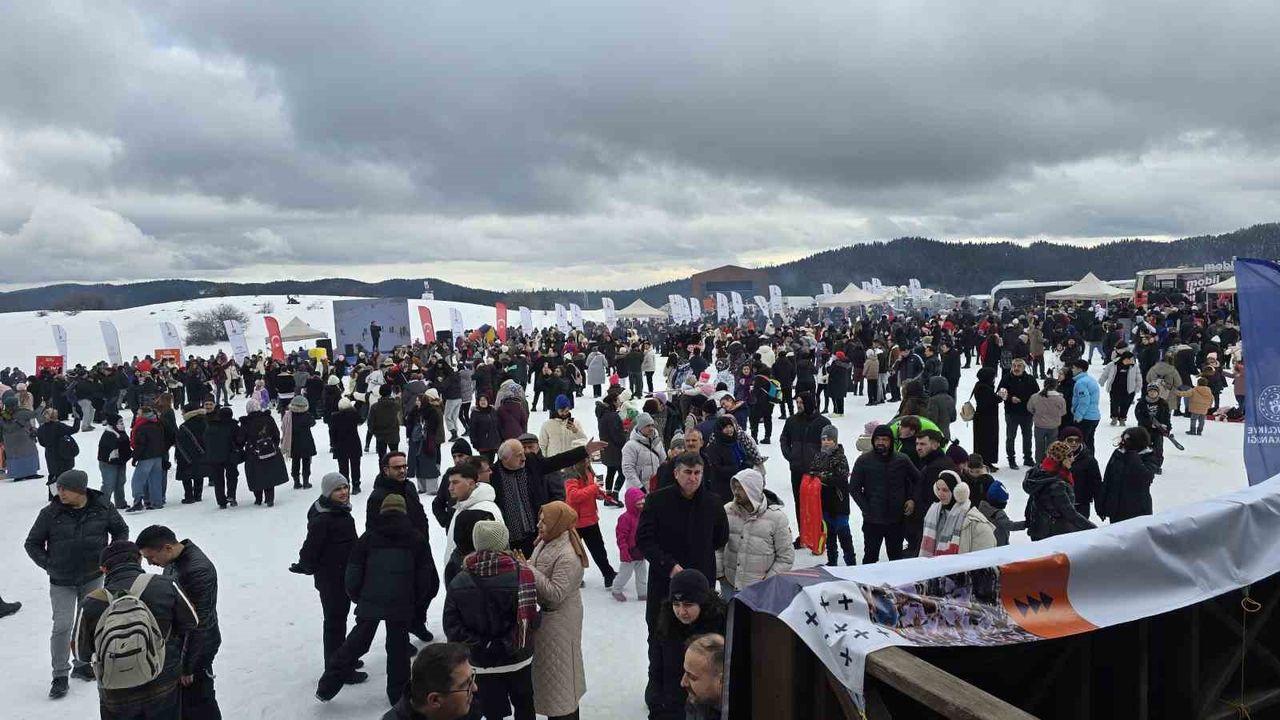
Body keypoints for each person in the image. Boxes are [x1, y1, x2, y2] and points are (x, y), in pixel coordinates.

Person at [317, 494, 437, 705]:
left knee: (355, 644)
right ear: (404, 512)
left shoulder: (368, 537)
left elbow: (353, 571)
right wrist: (415, 600)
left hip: (370, 600)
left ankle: (327, 687)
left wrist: (358, 596)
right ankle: (398, 696)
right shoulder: (415, 538)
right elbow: (425, 575)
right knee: (398, 649)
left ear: (382, 511)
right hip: (402, 602)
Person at [24, 469, 130, 699]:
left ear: (79, 491)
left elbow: (121, 530)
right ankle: (60, 675)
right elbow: (32, 544)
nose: (60, 493)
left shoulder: (102, 507)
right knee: (62, 625)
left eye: (65, 489)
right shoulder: (50, 513)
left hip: (93, 575)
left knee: (89, 622)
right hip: (61, 580)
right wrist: (49, 565)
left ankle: (82, 664)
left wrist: (110, 556)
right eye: (59, 488)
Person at [72, 541, 198, 718]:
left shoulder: (90, 603)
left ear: (103, 569)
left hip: (116, 692)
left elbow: (80, 653)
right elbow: (191, 622)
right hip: (162, 682)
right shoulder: (166, 585)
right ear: (139, 559)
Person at [443, 520, 537, 720]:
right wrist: (505, 644)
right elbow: (529, 619)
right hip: (518, 659)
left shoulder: (459, 580)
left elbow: (452, 625)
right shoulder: (523, 574)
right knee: (525, 706)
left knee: (492, 712)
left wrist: (483, 645)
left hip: (480, 662)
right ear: (504, 542)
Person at [136, 525, 222, 719]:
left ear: (167, 548)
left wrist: (187, 667)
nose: (150, 563)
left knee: (200, 702)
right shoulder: (174, 560)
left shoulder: (197, 571)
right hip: (181, 646)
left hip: (197, 650)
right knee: (187, 703)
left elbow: (199, 624)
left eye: (151, 558)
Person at [636, 451, 730, 628]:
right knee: (662, 631)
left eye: (697, 473)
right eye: (687, 472)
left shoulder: (713, 502)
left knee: (701, 633)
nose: (692, 478)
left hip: (701, 578)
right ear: (676, 473)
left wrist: (700, 552)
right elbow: (644, 540)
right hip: (665, 580)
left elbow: (720, 537)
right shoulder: (657, 501)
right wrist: (668, 565)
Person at [290, 473, 362, 677]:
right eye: (338, 489)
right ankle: (336, 669)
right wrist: (305, 566)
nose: (344, 492)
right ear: (328, 492)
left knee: (340, 620)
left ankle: (342, 658)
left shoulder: (339, 511)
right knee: (334, 623)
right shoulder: (324, 518)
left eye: (345, 487)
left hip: (344, 575)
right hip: (332, 580)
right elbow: (311, 548)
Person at [366, 451, 440, 643]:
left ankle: (417, 622)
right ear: (386, 470)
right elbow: (373, 529)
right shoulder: (378, 496)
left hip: (420, 548)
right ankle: (401, 639)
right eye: (397, 467)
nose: (402, 470)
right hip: (398, 555)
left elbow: (419, 512)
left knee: (430, 586)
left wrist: (424, 534)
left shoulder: (409, 486)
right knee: (403, 598)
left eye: (404, 466)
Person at [492, 437, 604, 557]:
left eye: (523, 454)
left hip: (537, 534)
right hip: (511, 539)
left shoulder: (531, 462)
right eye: (519, 455)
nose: (524, 458)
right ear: (505, 458)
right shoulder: (493, 475)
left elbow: (558, 460)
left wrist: (584, 451)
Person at [528, 501, 588, 720]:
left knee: (562, 682)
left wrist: (528, 569)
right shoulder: (547, 541)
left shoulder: (567, 554)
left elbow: (556, 593)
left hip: (560, 623)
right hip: (549, 623)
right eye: (540, 520)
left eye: (544, 521)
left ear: (558, 523)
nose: (539, 525)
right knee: (553, 680)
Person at [647, 569, 726, 720]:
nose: (681, 611)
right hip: (672, 704)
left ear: (702, 602)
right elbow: (657, 671)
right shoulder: (666, 624)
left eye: (688, 605)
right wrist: (656, 705)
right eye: (676, 604)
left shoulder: (721, 626)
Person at [718, 469, 793, 600]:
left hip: (759, 591)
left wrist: (767, 583)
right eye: (735, 487)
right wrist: (720, 574)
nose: (736, 492)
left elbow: (785, 557)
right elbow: (717, 545)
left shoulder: (776, 518)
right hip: (729, 585)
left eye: (741, 488)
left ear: (752, 489)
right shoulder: (727, 511)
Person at [850, 424, 918, 563]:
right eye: (877, 439)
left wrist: (911, 499)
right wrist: (867, 509)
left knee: (896, 558)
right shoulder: (864, 461)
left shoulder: (902, 459)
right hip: (873, 521)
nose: (880, 442)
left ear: (891, 441)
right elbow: (854, 488)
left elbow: (917, 480)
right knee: (870, 557)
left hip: (896, 519)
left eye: (885, 439)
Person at [779, 392, 830, 547]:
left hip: (815, 472)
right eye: (797, 402)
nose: (798, 405)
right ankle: (804, 535)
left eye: (801, 402)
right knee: (800, 503)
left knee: (817, 504)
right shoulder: (792, 421)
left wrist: (819, 463)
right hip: (797, 469)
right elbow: (784, 439)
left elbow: (829, 446)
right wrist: (790, 455)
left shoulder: (823, 422)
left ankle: (819, 535)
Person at [563, 443, 617, 588]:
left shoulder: (588, 470)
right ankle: (575, 578)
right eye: (585, 457)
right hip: (576, 521)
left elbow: (589, 490)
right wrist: (594, 488)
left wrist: (601, 494)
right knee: (575, 553)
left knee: (599, 549)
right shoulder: (571, 474)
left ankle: (608, 574)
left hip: (590, 518)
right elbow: (573, 496)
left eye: (588, 457)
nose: (588, 460)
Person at [382, 643, 477, 720]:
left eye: (472, 678)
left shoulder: (465, 703)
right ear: (435, 700)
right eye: (465, 685)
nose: (475, 688)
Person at [1023, 441, 1096, 541]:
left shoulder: (1042, 473)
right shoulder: (1057, 484)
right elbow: (1070, 513)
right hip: (1051, 535)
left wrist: (1030, 523)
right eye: (1069, 456)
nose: (1073, 458)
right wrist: (1094, 529)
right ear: (1059, 459)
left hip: (1040, 531)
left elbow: (1031, 503)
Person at [919, 470, 996, 557]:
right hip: (935, 565)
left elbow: (984, 558)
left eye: (945, 490)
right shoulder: (933, 514)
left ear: (958, 492)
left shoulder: (974, 522)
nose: (940, 493)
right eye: (938, 489)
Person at [906, 430, 956, 557]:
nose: (918, 448)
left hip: (932, 523)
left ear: (935, 445)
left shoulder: (936, 467)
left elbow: (931, 499)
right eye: (917, 444)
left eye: (923, 444)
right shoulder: (934, 462)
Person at [810, 425, 853, 566]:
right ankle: (832, 561)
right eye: (823, 439)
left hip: (839, 503)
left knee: (844, 534)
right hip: (824, 502)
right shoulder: (818, 456)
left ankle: (850, 562)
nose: (826, 442)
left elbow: (841, 478)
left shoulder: (840, 457)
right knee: (829, 535)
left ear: (835, 441)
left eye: (829, 439)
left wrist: (823, 478)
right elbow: (813, 471)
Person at [1098, 427, 1159, 524]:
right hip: (1117, 508)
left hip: (1138, 509)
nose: (1123, 443)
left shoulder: (1148, 456)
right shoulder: (1118, 453)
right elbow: (1108, 478)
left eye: (1127, 440)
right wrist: (1102, 505)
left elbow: (1146, 477)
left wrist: (1133, 455)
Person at [240, 398, 289, 507]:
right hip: (270, 451)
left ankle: (258, 498)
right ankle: (269, 498)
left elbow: (241, 439)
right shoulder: (268, 418)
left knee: (255, 475)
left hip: (253, 453)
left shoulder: (246, 422)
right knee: (269, 474)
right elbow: (276, 434)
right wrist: (273, 445)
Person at [996, 358, 1039, 469]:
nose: (1016, 368)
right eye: (1014, 366)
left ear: (1024, 368)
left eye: (1019, 366)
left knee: (1028, 437)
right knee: (1011, 437)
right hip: (1011, 413)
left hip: (1027, 413)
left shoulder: (1030, 379)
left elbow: (1037, 394)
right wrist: (1010, 398)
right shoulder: (1006, 378)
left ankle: (1028, 458)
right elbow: (999, 393)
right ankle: (1011, 459)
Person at [612, 487, 648, 602]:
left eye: (643, 503)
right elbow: (621, 536)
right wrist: (624, 550)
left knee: (642, 574)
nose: (641, 506)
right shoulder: (625, 518)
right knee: (625, 574)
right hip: (629, 553)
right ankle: (616, 589)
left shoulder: (644, 516)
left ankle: (643, 593)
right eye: (638, 504)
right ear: (631, 504)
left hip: (641, 552)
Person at [37, 407, 80, 500]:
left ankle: (52, 494)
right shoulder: (59, 426)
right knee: (65, 475)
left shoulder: (41, 429)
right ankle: (65, 494)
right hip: (62, 453)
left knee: (53, 474)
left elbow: (41, 443)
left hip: (50, 454)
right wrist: (77, 419)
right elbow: (74, 429)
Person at [681, 634, 726, 719]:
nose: (683, 683)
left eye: (692, 677)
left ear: (722, 680)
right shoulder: (696, 702)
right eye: (685, 672)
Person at [327, 395, 365, 494]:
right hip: (354, 443)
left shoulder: (334, 417)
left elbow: (332, 432)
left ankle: (345, 485)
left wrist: (333, 444)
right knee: (355, 466)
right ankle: (356, 485)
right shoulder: (354, 414)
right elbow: (361, 420)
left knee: (343, 468)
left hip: (340, 445)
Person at [622, 412, 666, 492]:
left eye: (652, 425)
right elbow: (628, 469)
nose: (651, 428)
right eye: (647, 426)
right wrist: (640, 487)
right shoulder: (630, 446)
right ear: (640, 428)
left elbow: (663, 462)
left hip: (655, 488)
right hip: (637, 491)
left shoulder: (657, 442)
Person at [1134, 383, 1172, 474]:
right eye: (1150, 391)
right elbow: (1139, 416)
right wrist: (1150, 424)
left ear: (1158, 392)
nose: (1152, 393)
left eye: (1154, 391)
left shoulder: (1163, 403)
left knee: (1158, 448)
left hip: (1158, 431)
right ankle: (1143, 464)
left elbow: (1167, 417)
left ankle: (1156, 466)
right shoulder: (1142, 403)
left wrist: (1167, 427)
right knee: (1143, 447)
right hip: (1144, 430)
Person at [976, 477, 1025, 546]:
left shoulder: (982, 506)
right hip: (999, 542)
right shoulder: (998, 514)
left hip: (987, 541)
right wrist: (1025, 524)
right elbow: (1010, 526)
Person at [97, 413, 133, 509]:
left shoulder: (121, 432)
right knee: (109, 484)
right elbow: (112, 450)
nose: (122, 424)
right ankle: (102, 505)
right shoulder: (109, 434)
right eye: (120, 422)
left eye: (122, 421)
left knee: (120, 482)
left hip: (120, 462)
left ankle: (120, 503)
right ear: (113, 423)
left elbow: (125, 447)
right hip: (108, 463)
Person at [1026, 378, 1066, 463]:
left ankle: (1039, 463)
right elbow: (1063, 412)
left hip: (1039, 426)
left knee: (1039, 446)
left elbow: (1029, 408)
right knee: (1052, 447)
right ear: (1056, 386)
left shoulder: (1035, 397)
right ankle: (1050, 464)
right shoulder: (1060, 399)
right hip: (1053, 426)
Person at [1100, 351, 1142, 426]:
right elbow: (1105, 373)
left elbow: (1138, 377)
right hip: (1115, 388)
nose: (1132, 360)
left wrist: (1138, 387)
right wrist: (1102, 381)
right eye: (1131, 359)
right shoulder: (1113, 364)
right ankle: (1114, 417)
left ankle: (1122, 418)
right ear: (1125, 359)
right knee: (1114, 403)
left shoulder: (1134, 366)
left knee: (1126, 404)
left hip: (1129, 389)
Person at [971, 367, 1000, 471]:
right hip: (986, 419)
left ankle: (986, 461)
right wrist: (999, 398)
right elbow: (987, 403)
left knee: (985, 441)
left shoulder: (981, 386)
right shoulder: (984, 388)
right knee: (986, 441)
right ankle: (985, 462)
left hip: (984, 418)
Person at [286, 395, 317, 489]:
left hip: (294, 442)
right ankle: (306, 482)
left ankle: (296, 482)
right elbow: (313, 423)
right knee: (306, 461)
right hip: (306, 442)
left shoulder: (289, 416)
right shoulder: (306, 415)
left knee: (295, 462)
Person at [1069, 359, 1102, 449]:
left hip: (1086, 417)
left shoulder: (1081, 383)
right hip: (1094, 416)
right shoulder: (1090, 380)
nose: (1072, 370)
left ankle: (1085, 457)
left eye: (1073, 368)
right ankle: (1091, 457)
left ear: (1080, 369)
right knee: (1089, 441)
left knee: (1082, 443)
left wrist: (1078, 416)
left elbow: (1084, 401)